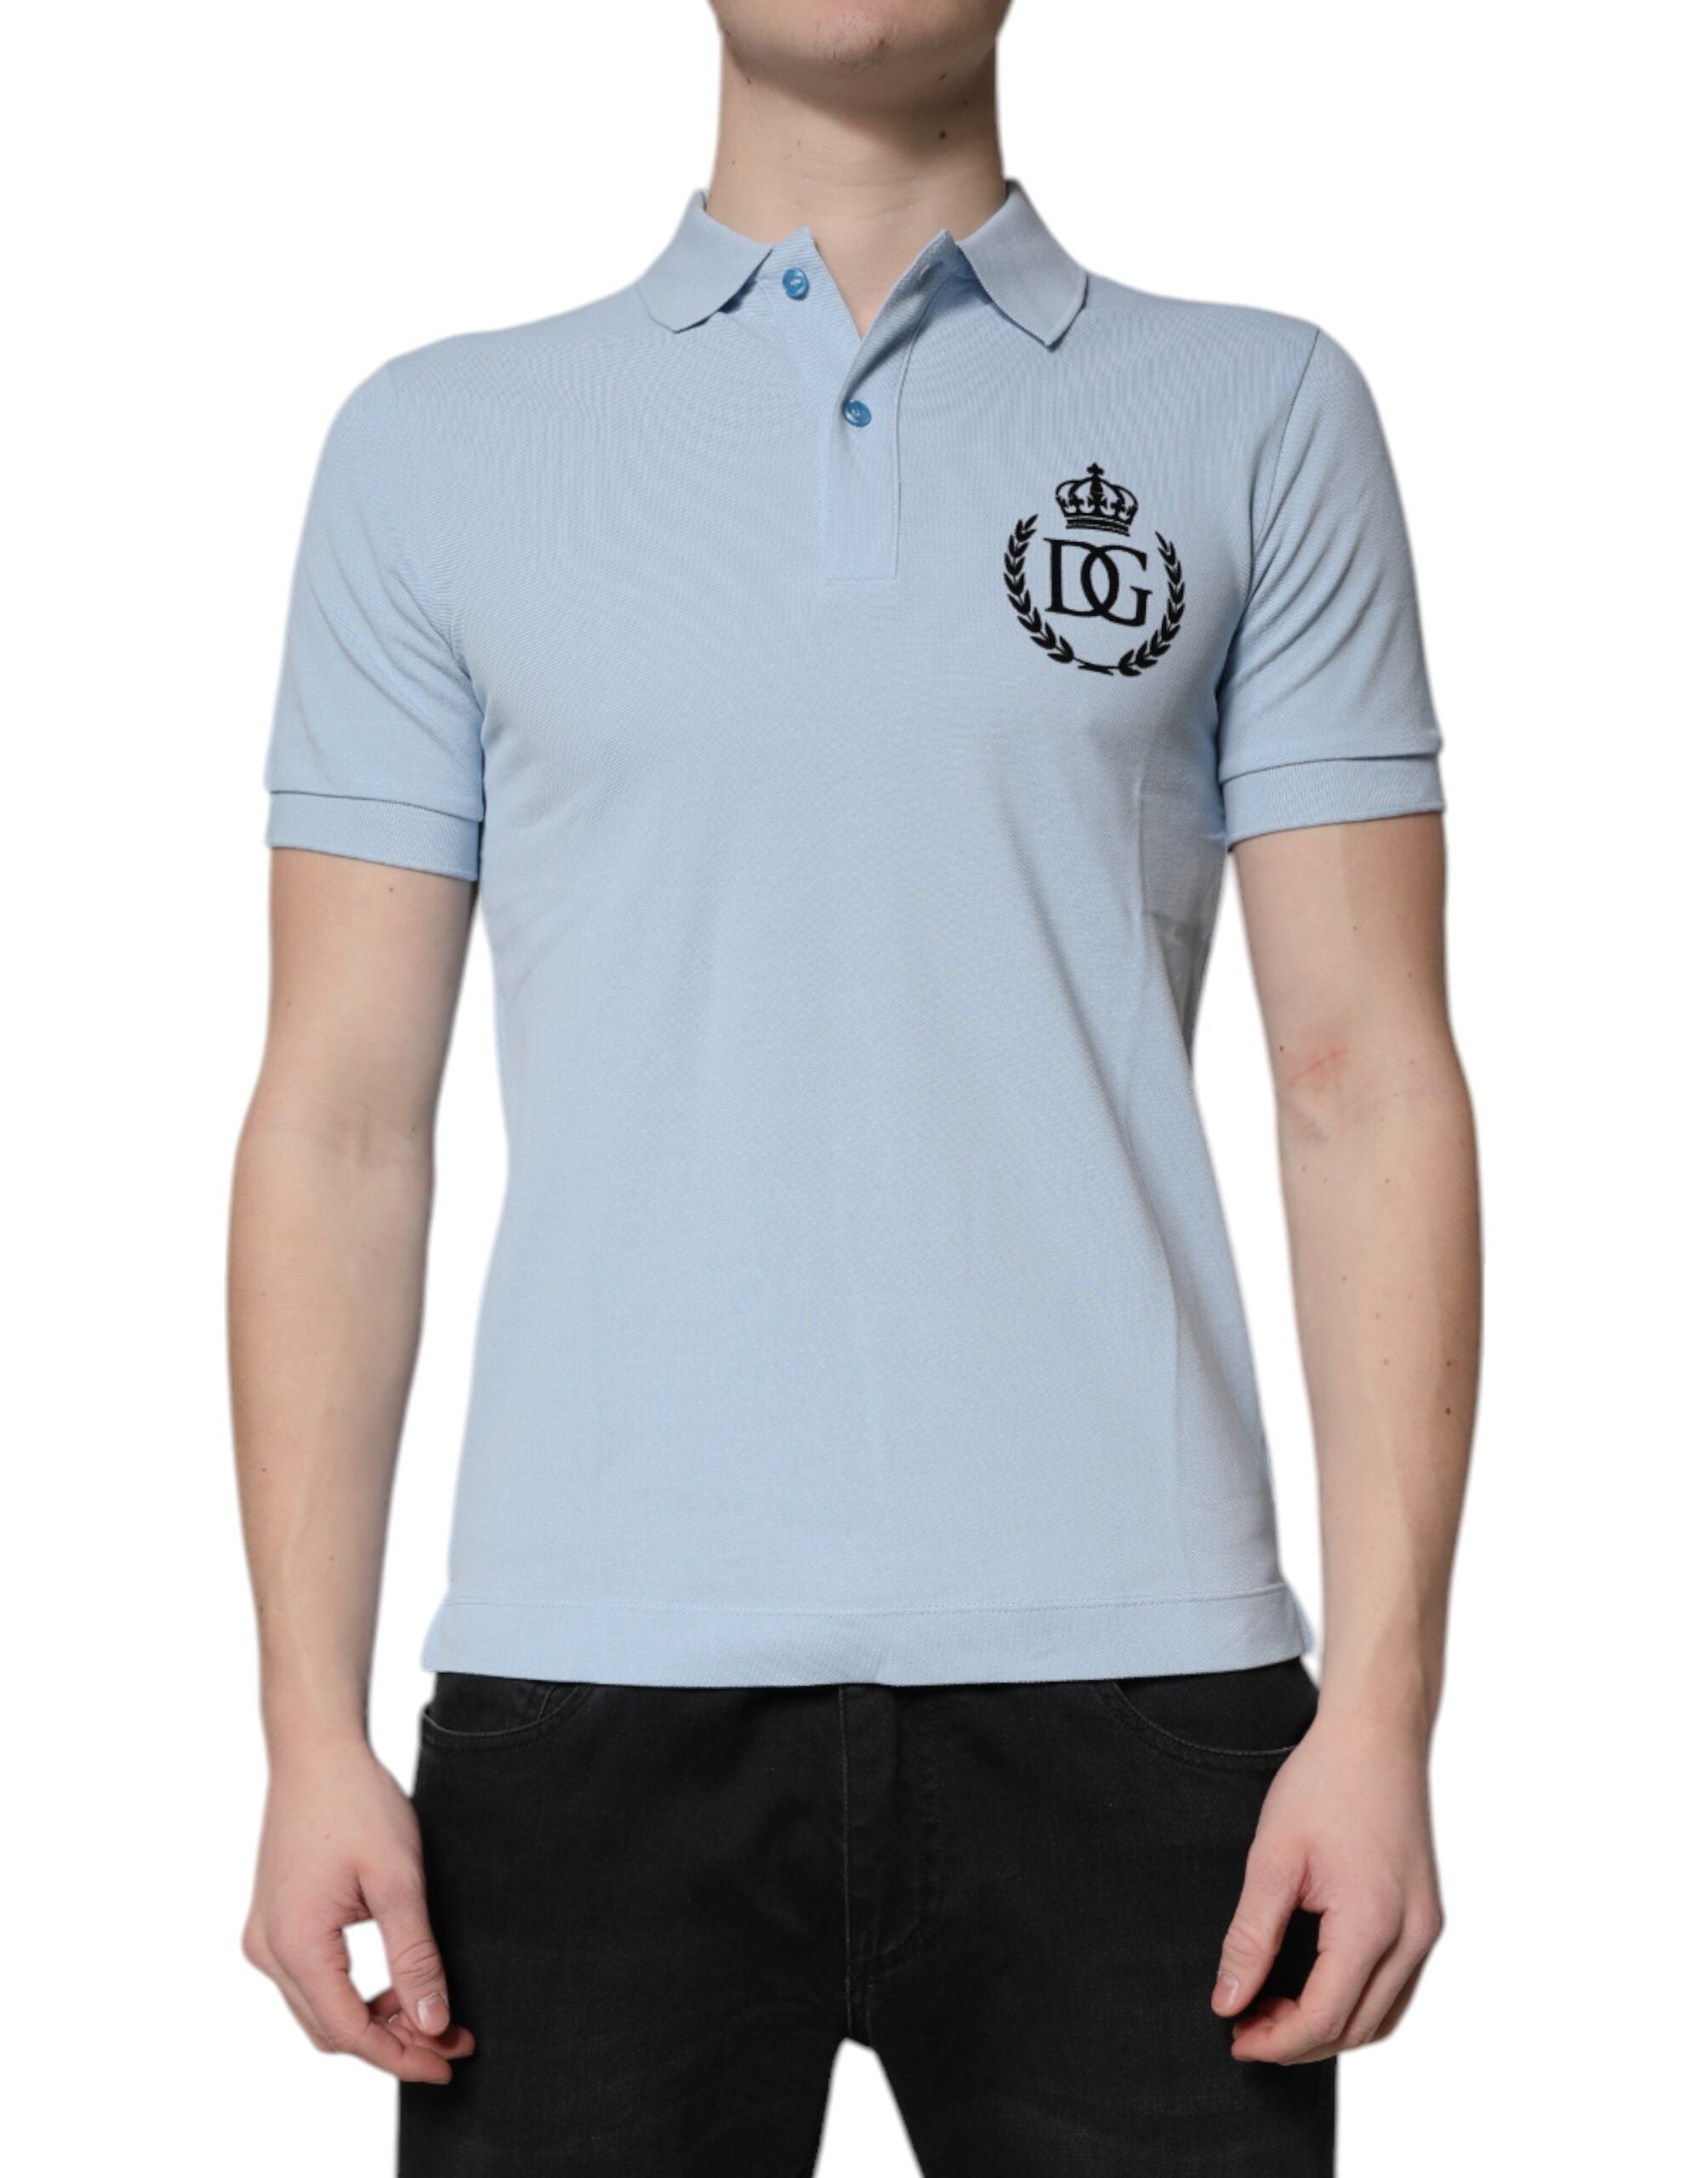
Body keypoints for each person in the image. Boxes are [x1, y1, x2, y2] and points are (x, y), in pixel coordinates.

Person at [231, 3, 1480, 2170]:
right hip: (583, 1696)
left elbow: (1364, 1077)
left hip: (1143, 1693)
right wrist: (303, 1728)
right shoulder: (436, 444)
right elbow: (339, 1118)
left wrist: (1380, 1707)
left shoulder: (1258, 411)